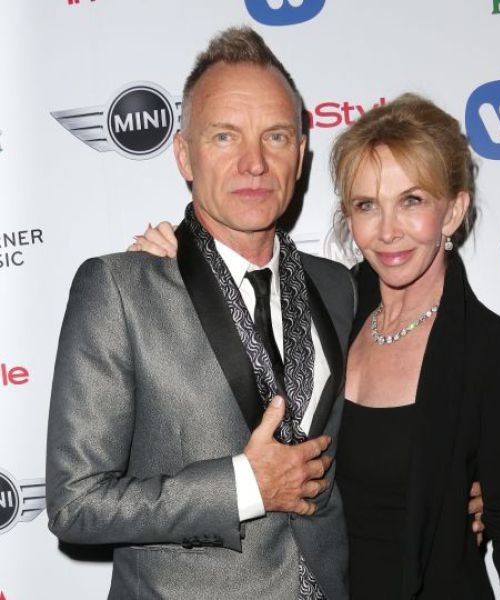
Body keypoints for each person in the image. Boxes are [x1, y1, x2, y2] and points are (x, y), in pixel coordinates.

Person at [137, 94, 500, 599]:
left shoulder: (499, 354)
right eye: (367, 205)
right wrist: (174, 267)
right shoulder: (327, 307)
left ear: (452, 212)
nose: (388, 231)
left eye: (412, 201)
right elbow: (222, 354)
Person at [46, 27, 356, 600]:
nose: (254, 163)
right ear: (184, 154)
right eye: (224, 136)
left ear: (301, 154)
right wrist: (245, 486)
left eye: (275, 137)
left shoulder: (338, 287)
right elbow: (76, 504)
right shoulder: (120, 288)